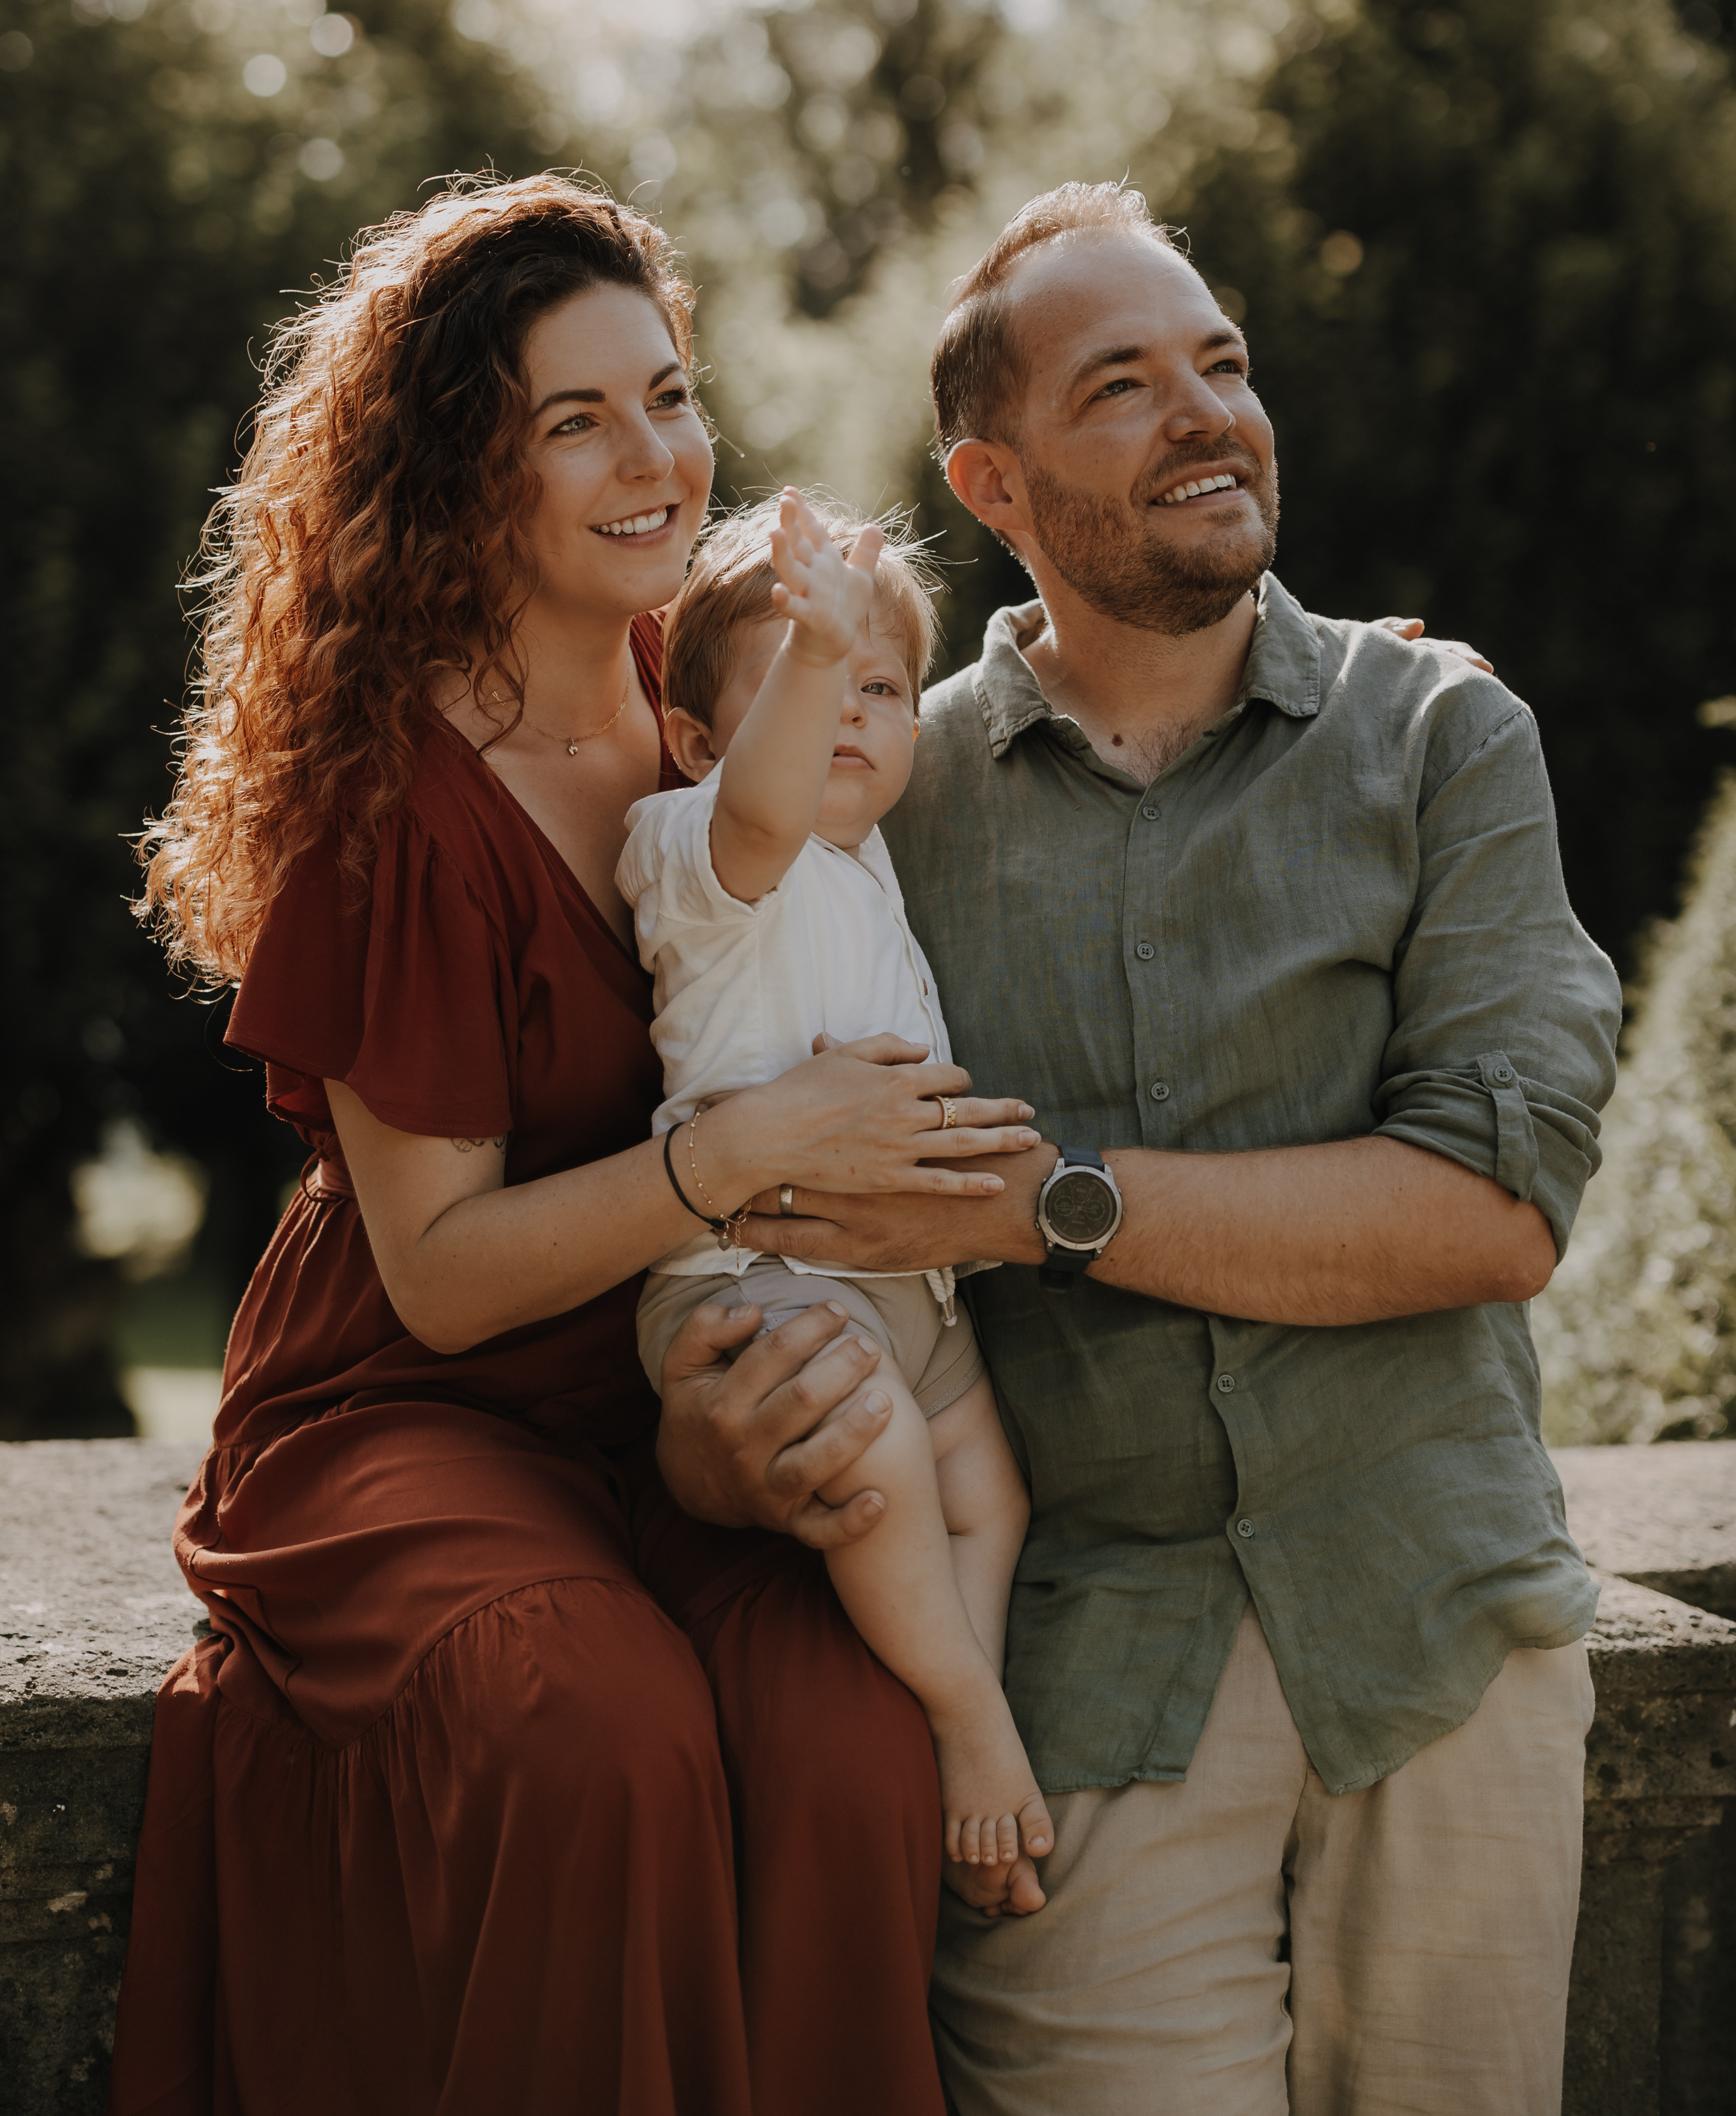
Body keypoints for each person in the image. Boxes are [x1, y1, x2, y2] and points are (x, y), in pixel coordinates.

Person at [654, 181, 1623, 2111]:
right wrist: (717, 1427)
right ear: (992, 481)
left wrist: (1043, 1203)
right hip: (1087, 1690)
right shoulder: (882, 803)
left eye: (1222, 363)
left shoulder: (1438, 736)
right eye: (1122, 385)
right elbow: (749, 1165)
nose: (1205, 412)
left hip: (1436, 1622)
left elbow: (1493, 1210)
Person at [109, 174, 991, 2116]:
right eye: (571, 421)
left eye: (666, 397)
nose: (651, 455)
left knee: (853, 1747)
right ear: (453, 470)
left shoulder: (724, 682)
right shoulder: (390, 794)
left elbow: (947, 716)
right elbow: (436, 1274)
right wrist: (741, 1154)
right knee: (594, 1732)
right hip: (416, 1406)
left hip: (695, 1369)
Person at [627, 486, 1052, 1894]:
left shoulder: (867, 864)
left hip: (907, 1287)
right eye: (808, 681)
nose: (851, 709)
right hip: (762, 1281)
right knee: (874, 1465)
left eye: (881, 684)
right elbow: (762, 794)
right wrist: (820, 647)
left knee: (988, 1493)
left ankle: (956, 1713)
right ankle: (970, 1718)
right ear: (697, 737)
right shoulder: (703, 851)